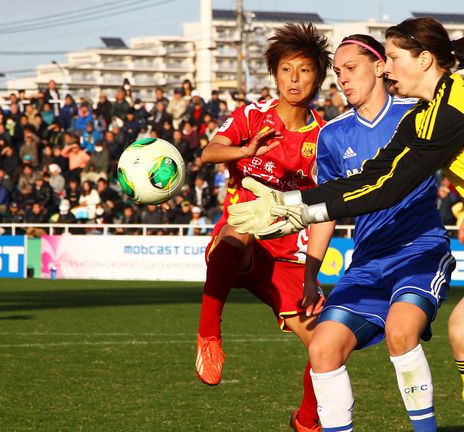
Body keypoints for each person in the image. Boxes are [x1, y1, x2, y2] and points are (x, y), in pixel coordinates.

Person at [230, 17, 464, 432]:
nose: (388, 66)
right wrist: (290, 202)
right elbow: (373, 175)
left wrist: (298, 209)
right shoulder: (425, 116)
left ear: (424, 60)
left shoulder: (453, 109)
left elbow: (387, 188)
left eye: (395, 58)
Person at [293, 34, 454, 432]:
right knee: (322, 348)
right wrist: (311, 276)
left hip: (420, 250)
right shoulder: (331, 135)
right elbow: (326, 211)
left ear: (381, 66)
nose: (342, 79)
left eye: (351, 68)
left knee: (401, 333)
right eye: (337, 72)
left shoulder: (417, 115)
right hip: (368, 263)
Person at [194, 22, 331, 432]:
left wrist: (311, 275)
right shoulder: (253, 116)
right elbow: (207, 153)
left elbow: (325, 210)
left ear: (318, 78)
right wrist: (244, 150)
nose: (294, 78)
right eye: (287, 69)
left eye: (305, 70)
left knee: (328, 345)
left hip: (288, 255)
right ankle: (208, 337)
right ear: (275, 74)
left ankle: (306, 423)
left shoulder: (325, 138)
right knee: (242, 227)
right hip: (239, 244)